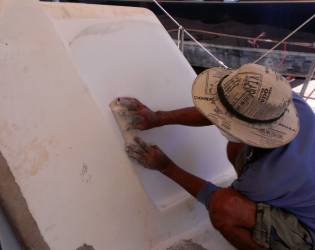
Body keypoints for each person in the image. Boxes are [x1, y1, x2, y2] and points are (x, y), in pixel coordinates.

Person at [119, 64, 315, 250]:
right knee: (235, 146)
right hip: (298, 188)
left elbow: (213, 198)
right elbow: (223, 111)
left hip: (307, 232)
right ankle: (262, 206)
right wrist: (159, 118)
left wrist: (166, 167)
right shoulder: (286, 104)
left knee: (224, 209)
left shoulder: (264, 180)